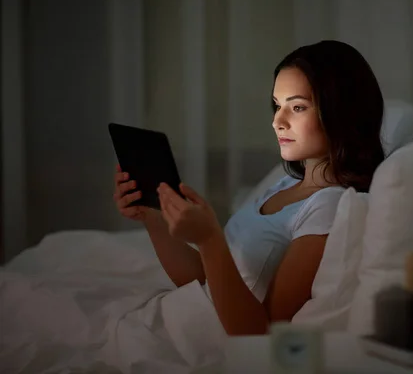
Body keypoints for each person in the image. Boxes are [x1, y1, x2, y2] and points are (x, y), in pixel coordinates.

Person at [112, 40, 385, 336]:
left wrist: (210, 239)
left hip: (200, 345)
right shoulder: (285, 184)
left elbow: (260, 334)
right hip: (171, 322)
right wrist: (151, 217)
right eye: (277, 105)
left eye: (297, 107)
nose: (277, 121)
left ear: (341, 112)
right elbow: (203, 281)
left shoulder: (328, 206)